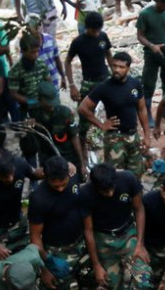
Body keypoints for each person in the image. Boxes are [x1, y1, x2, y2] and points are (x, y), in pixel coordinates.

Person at [28, 156, 93, 290]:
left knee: (91, 276)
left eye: (63, 184)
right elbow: (35, 237)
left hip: (79, 243)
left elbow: (73, 167)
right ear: (46, 178)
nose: (60, 189)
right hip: (55, 251)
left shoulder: (72, 179)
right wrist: (45, 267)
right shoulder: (39, 198)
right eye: (55, 185)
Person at [80, 163, 147, 290]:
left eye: (111, 189)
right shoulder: (86, 194)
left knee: (144, 278)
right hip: (103, 239)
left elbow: (139, 209)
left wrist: (140, 244)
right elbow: (88, 231)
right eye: (104, 191)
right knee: (113, 283)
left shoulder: (128, 179)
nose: (109, 194)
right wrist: (97, 265)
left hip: (128, 234)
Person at [79, 52, 151, 176]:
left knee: (136, 175)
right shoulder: (104, 87)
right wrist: (101, 124)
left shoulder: (135, 84)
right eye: (114, 66)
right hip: (114, 139)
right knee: (116, 177)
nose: (117, 70)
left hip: (133, 136)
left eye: (121, 67)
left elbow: (142, 109)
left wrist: (147, 135)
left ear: (128, 68)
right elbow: (83, 108)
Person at [65, 11, 114, 140]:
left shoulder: (103, 37)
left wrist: (115, 72)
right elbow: (67, 61)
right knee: (84, 115)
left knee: (114, 110)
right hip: (89, 82)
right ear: (87, 27)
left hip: (105, 80)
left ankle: (112, 138)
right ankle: (83, 143)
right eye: (94, 31)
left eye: (99, 30)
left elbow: (108, 54)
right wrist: (72, 86)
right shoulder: (78, 42)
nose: (97, 33)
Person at [29, 81, 87, 178]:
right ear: (40, 100)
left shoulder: (65, 113)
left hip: (68, 156)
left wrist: (82, 164)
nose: (52, 107)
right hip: (48, 157)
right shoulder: (34, 113)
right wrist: (30, 128)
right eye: (48, 103)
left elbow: (74, 137)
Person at [137, 0, 165, 125]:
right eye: (162, 5)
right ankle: (148, 113)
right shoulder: (145, 14)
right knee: (148, 83)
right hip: (151, 52)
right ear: (157, 1)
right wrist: (151, 46)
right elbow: (140, 36)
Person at [8, 34, 51, 116]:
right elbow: (14, 94)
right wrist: (32, 101)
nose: (36, 54)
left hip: (44, 105)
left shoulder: (41, 63)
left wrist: (48, 98)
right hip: (26, 108)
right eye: (32, 52)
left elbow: (49, 82)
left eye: (37, 51)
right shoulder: (15, 70)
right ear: (23, 52)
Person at [25, 14, 66, 92]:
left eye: (39, 24)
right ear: (28, 28)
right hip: (39, 88)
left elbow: (57, 59)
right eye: (34, 26)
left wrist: (63, 77)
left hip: (54, 83)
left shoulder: (50, 39)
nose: (37, 28)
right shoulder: (27, 45)